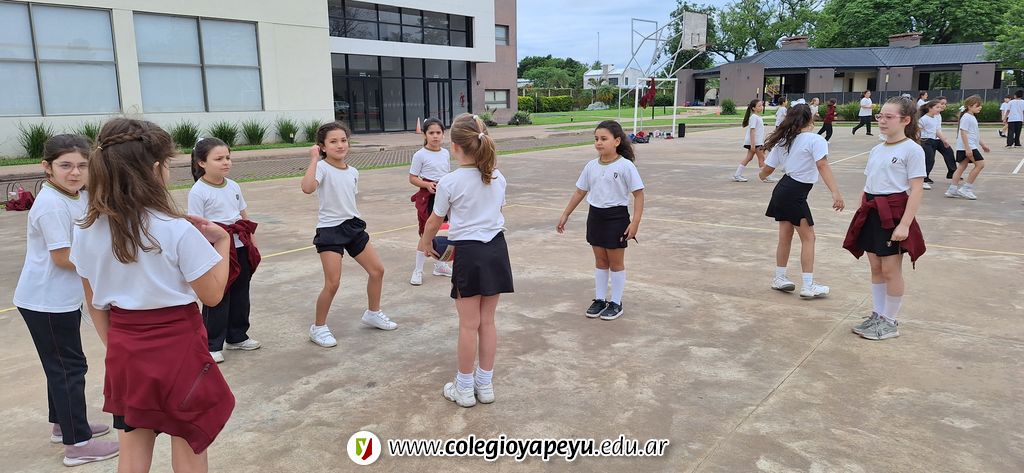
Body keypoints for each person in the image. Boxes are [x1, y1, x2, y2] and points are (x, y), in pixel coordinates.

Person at [71, 118, 234, 472]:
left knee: (132, 450)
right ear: (155, 169)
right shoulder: (176, 229)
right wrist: (222, 241)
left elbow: (94, 301)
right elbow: (212, 295)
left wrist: (117, 345)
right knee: (190, 439)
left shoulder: (86, 231)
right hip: (179, 347)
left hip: (126, 348)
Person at [13, 134, 120, 467]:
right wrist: (107, 263)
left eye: (82, 165)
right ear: (47, 167)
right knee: (68, 369)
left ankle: (64, 426)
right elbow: (62, 257)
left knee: (61, 366)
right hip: (45, 301)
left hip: (61, 299)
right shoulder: (51, 205)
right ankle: (78, 444)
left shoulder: (77, 195)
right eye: (65, 165)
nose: (75, 172)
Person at [418, 114, 514, 408]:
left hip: (470, 254)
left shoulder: (449, 181)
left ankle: (463, 388)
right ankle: (485, 385)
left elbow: (435, 221)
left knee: (468, 325)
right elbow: (496, 211)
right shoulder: (498, 177)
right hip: (496, 250)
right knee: (488, 322)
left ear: (455, 147)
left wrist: (425, 244)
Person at [301, 121, 395, 348]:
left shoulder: (353, 172)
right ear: (322, 146)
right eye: (333, 141)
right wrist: (313, 159)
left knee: (377, 270)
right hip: (330, 230)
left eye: (343, 140)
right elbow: (307, 188)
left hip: (352, 226)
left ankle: (373, 313)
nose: (340, 145)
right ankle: (318, 327)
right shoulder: (322, 167)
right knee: (333, 283)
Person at [844, 96, 926, 340]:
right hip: (872, 211)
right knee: (876, 267)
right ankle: (878, 314)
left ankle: (890, 321)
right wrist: (861, 211)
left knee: (891, 269)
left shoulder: (912, 149)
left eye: (889, 117)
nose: (882, 121)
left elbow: (917, 189)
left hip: (893, 213)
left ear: (906, 120)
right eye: (880, 116)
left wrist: (905, 224)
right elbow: (868, 183)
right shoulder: (876, 149)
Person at [557, 120, 645, 320]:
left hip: (616, 218)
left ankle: (616, 302)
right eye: (596, 138)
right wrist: (566, 214)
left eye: (604, 139)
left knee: (616, 262)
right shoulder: (591, 166)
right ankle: (599, 299)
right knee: (600, 261)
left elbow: (639, 195)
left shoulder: (625, 166)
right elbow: (580, 191)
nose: (598, 142)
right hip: (595, 216)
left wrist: (635, 223)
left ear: (617, 141)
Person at [188, 137, 262, 364]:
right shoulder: (198, 191)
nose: (226, 162)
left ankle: (237, 336)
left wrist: (251, 242)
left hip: (239, 245)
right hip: (216, 250)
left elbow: (243, 215)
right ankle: (211, 344)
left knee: (241, 293)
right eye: (218, 158)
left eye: (228, 157)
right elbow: (196, 226)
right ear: (202, 162)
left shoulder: (233, 186)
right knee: (218, 296)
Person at [759, 104, 844, 298]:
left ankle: (779, 278)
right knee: (809, 237)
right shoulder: (816, 140)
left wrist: (761, 175)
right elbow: (822, 165)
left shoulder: (784, 140)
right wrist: (835, 192)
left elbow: (767, 170)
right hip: (795, 193)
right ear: (810, 119)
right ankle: (808, 285)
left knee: (785, 236)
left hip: (782, 189)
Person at [409, 117, 453, 285]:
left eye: (438, 132)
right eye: (431, 133)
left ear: (443, 134)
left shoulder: (445, 153)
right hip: (428, 196)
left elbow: (447, 174)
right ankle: (418, 270)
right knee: (426, 233)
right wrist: (427, 184)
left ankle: (440, 264)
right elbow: (412, 178)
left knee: (445, 231)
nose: (435, 136)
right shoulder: (420, 155)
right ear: (425, 135)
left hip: (444, 194)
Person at [946, 95, 990, 200]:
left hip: (968, 146)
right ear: (969, 106)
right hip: (968, 146)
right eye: (977, 106)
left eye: (980, 106)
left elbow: (974, 134)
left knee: (962, 166)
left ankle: (952, 189)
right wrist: (968, 148)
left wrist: (982, 144)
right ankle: (966, 188)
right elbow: (963, 133)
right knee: (980, 164)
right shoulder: (966, 117)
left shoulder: (971, 117)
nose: (980, 107)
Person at [732, 99, 770, 182]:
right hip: (755, 143)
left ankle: (737, 175)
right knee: (761, 159)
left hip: (756, 142)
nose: (761, 107)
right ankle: (765, 177)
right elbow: (752, 131)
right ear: (753, 108)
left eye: (761, 105)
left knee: (749, 158)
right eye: (759, 106)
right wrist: (753, 145)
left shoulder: (757, 117)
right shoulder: (754, 117)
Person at [918, 100, 944, 190]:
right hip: (925, 141)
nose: (939, 109)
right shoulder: (924, 119)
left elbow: (937, 131)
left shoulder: (935, 118)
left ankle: (924, 178)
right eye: (937, 107)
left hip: (933, 141)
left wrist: (944, 140)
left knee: (931, 160)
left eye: (940, 107)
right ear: (930, 108)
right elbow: (918, 131)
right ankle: (923, 180)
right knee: (929, 160)